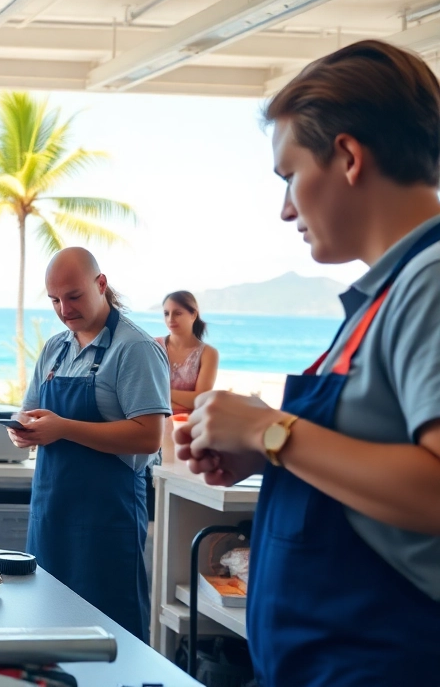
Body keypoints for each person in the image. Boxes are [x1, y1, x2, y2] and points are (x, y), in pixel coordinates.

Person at [176, 40, 440, 685]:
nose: (286, 208)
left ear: (348, 157)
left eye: (289, 176)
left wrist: (271, 432)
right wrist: (261, 451)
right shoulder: (382, 298)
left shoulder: (431, 282)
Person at [11, 248, 169, 640]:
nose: (64, 309)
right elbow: (29, 411)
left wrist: (64, 428)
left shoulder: (135, 349)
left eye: (74, 296)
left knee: (110, 640)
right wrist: (21, 429)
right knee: (46, 635)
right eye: (54, 300)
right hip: (50, 520)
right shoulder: (55, 349)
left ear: (101, 284)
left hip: (106, 524)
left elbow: (149, 435)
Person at [158, 290, 219, 463]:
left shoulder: (208, 353)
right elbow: (141, 393)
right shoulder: (153, 346)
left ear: (193, 314)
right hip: (153, 428)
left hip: (188, 431)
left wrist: (161, 393)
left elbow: (200, 400)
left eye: (177, 313)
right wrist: (183, 399)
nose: (170, 319)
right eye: (166, 313)